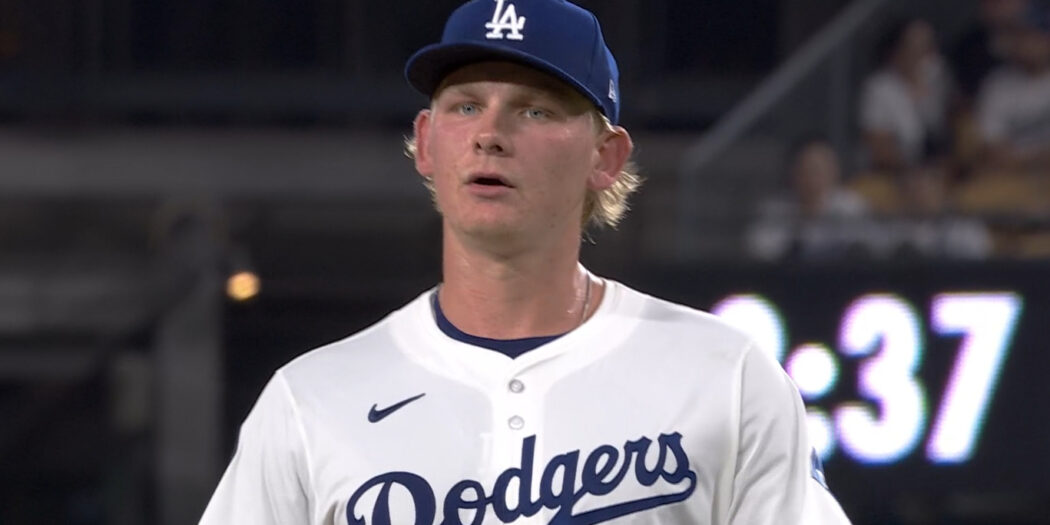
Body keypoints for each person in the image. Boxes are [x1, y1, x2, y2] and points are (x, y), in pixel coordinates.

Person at [199, 1, 852, 523]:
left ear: (606, 157)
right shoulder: (310, 402)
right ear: (426, 142)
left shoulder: (727, 376)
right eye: (465, 106)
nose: (490, 134)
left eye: (534, 109)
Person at [747, 137, 873, 261]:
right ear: (793, 172)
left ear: (835, 171)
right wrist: (799, 223)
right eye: (807, 169)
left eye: (821, 169)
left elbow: (871, 245)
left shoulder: (851, 206)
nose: (814, 177)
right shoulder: (775, 209)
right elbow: (757, 249)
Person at [859, 18, 953, 171]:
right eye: (914, 48)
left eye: (926, 48)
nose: (921, 57)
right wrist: (914, 171)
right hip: (895, 172)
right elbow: (879, 146)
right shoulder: (879, 87)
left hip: (937, 169)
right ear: (898, 51)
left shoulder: (938, 77)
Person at [976, 0, 1050, 171]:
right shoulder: (996, 85)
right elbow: (993, 150)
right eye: (1023, 36)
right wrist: (1037, 159)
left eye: (1037, 35)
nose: (1030, 44)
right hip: (1013, 177)